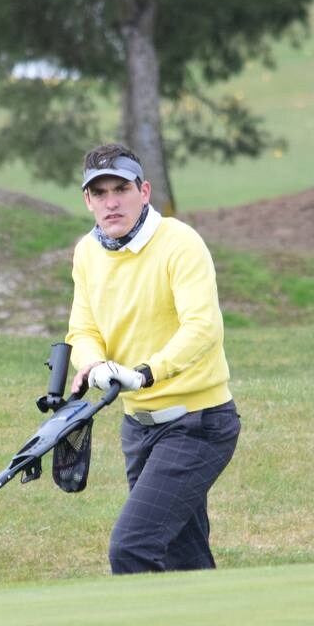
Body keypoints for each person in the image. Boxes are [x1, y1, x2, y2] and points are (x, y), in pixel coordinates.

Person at [65, 143, 241, 574]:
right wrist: (91, 364)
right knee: (183, 558)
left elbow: (202, 327)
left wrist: (145, 374)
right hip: (138, 429)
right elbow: (83, 330)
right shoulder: (87, 252)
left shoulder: (180, 242)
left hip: (198, 422)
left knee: (133, 548)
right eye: (100, 192)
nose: (112, 202)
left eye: (121, 189)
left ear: (143, 191)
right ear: (88, 200)